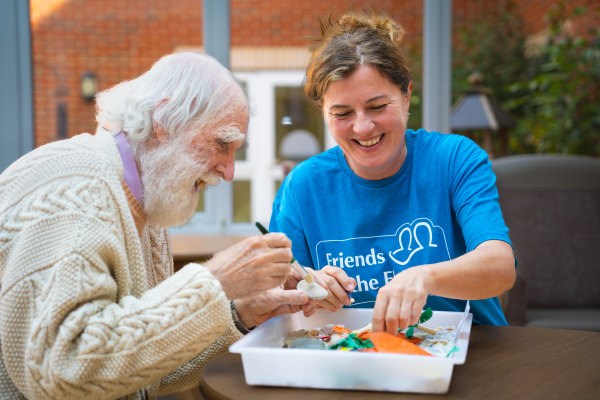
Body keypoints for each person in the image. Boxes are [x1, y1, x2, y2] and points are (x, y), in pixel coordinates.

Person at [0, 52, 310, 400]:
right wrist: (216, 281)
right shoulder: (79, 189)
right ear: (163, 121)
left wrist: (239, 315)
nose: (229, 171)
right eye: (221, 144)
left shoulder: (147, 197)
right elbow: (63, 371)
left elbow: (141, 368)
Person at [269, 12, 516, 333]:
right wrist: (306, 285)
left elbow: (500, 267)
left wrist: (423, 277)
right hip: (347, 361)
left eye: (377, 106)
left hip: (472, 351)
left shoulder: (454, 158)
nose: (362, 126)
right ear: (324, 114)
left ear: (407, 95)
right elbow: (279, 291)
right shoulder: (302, 186)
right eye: (342, 113)